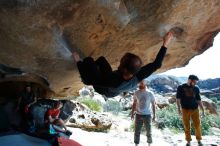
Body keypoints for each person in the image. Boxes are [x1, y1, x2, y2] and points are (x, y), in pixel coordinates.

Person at [72, 32, 173, 98]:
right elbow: (157, 64)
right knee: (101, 60)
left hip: (105, 90)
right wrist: (165, 44)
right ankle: (92, 68)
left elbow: (88, 80)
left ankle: (86, 64)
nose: (120, 60)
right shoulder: (138, 75)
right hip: (113, 85)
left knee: (88, 61)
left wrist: (78, 61)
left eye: (122, 61)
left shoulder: (113, 80)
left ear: (123, 68)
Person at [176, 75, 205, 146]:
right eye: (194, 82)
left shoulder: (196, 88)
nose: (195, 83)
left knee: (197, 125)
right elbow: (178, 99)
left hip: (195, 109)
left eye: (196, 82)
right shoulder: (181, 87)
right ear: (190, 80)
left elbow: (199, 99)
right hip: (185, 109)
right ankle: (188, 141)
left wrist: (203, 110)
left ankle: (199, 140)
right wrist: (179, 109)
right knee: (186, 126)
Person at [131, 81, 156, 146]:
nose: (139, 84)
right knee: (137, 131)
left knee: (148, 131)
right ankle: (136, 144)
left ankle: (149, 144)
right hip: (138, 115)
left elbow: (153, 104)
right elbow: (134, 103)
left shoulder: (150, 93)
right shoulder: (136, 93)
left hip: (147, 115)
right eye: (139, 83)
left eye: (141, 83)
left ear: (145, 84)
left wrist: (154, 115)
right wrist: (132, 113)